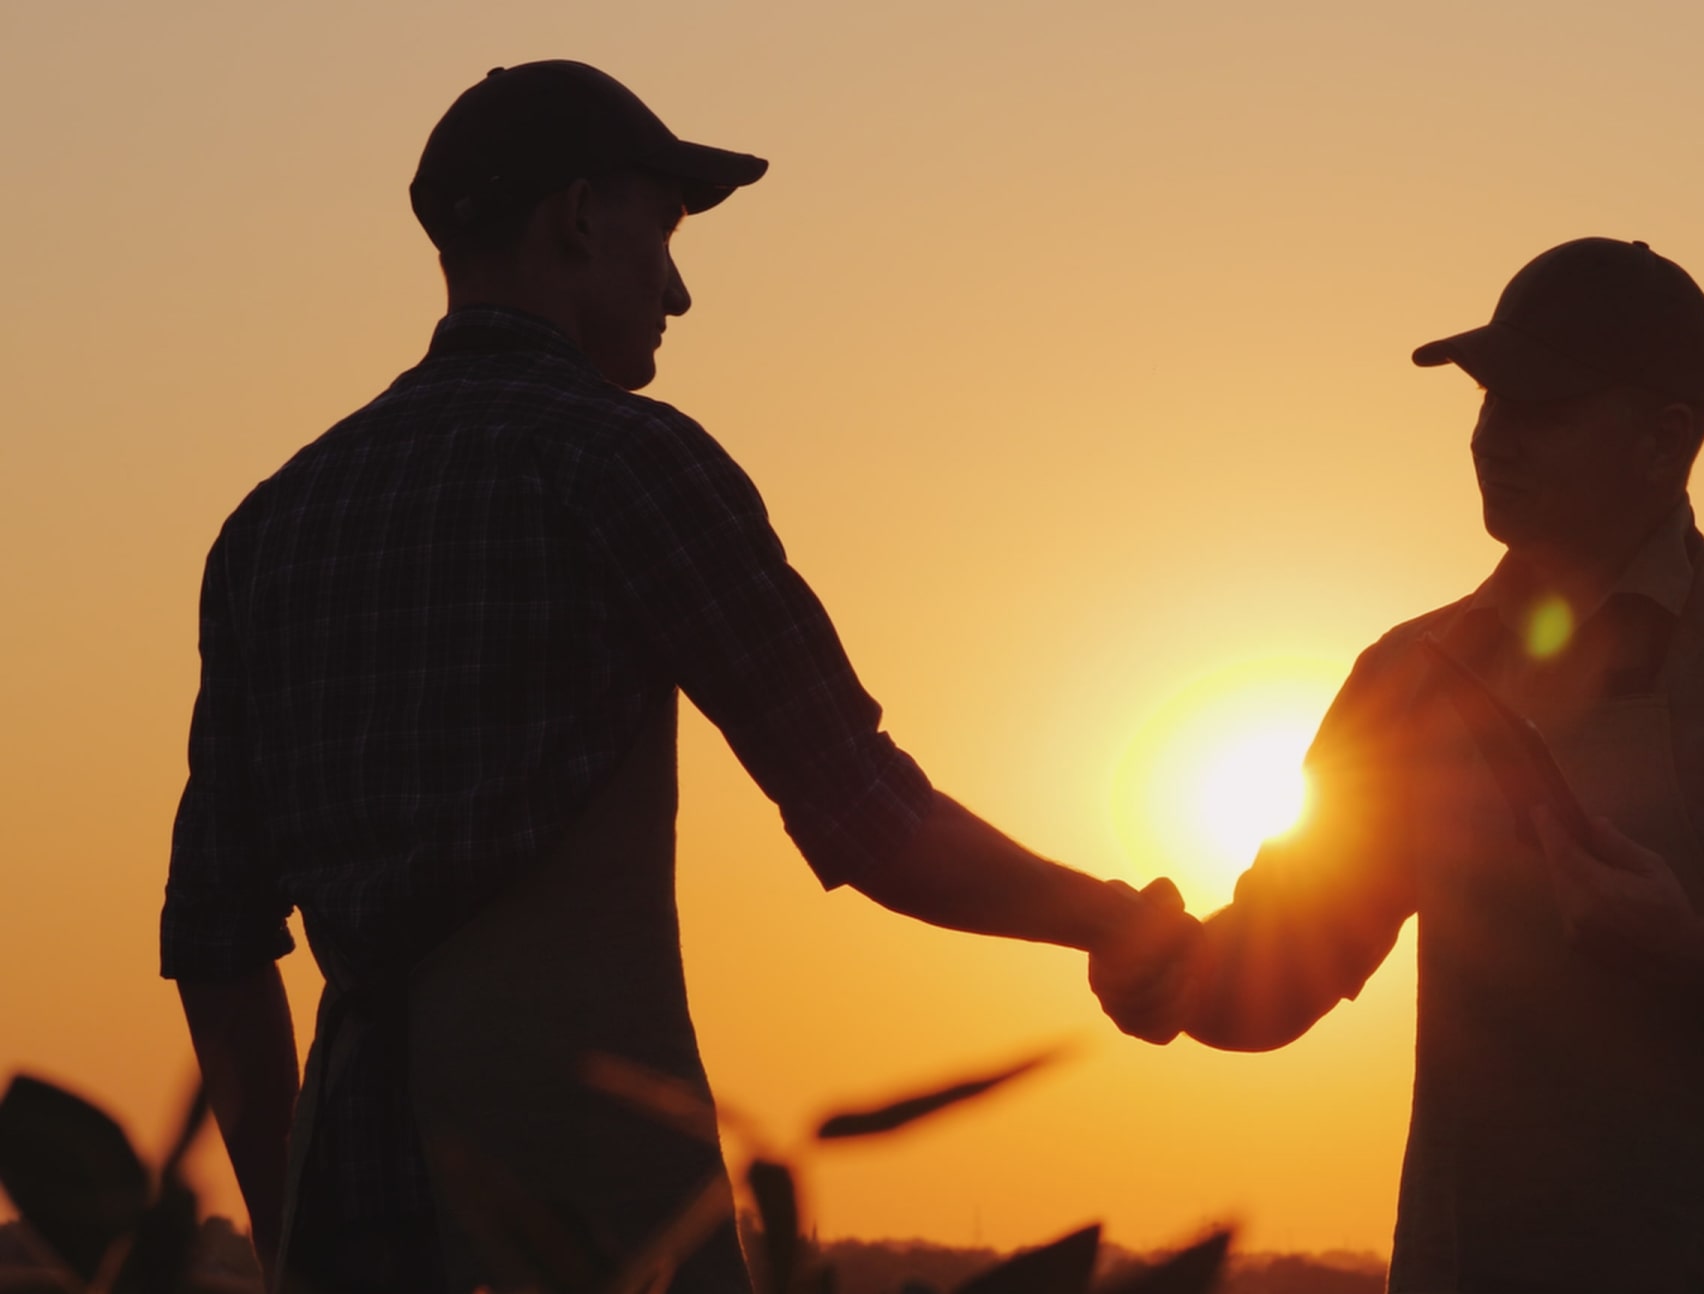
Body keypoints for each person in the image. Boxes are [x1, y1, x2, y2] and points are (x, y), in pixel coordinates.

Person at [161, 62, 1192, 1294]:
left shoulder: (273, 526)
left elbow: (217, 938)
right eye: (667, 232)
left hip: (355, 1188)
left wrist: (292, 1235)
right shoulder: (627, 465)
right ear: (582, 218)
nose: (682, 292)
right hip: (600, 1206)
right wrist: (1116, 921)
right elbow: (865, 812)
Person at [1090, 237, 1704, 1293]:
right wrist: (1163, 975)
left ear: (1666, 438)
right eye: (1488, 400)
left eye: (1542, 407)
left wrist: (1690, 952)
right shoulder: (1408, 678)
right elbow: (1277, 984)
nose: (1493, 438)